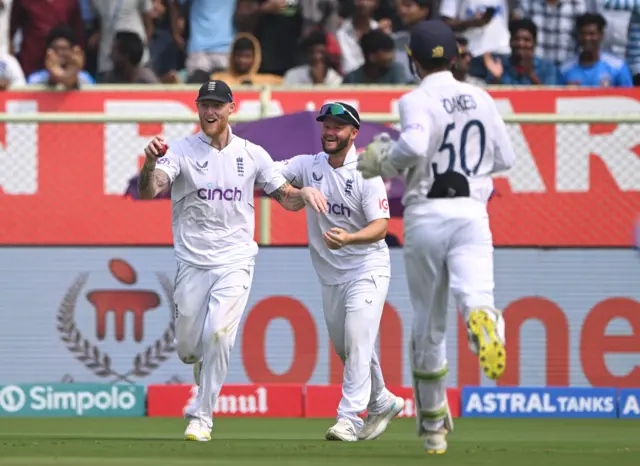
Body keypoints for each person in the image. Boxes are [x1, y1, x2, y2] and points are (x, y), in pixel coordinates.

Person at [356, 20, 515, 454]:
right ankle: (483, 320)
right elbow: (507, 157)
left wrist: (382, 160)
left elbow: (415, 146)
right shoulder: (482, 97)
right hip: (471, 213)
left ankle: (432, 428)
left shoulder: (416, 98)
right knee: (476, 294)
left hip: (426, 213)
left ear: (414, 60)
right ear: (458, 56)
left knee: (428, 323)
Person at [137, 79, 327, 442]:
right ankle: (201, 371)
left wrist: (304, 193)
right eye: (203, 105)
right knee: (189, 350)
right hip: (192, 262)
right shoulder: (180, 150)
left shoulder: (253, 154)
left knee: (219, 336)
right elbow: (152, 189)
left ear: (230, 109)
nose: (209, 111)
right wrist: (149, 164)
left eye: (216, 105)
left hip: (236, 260)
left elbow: (284, 197)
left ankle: (202, 416)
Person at [275, 102, 404, 442]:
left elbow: (380, 225)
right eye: (327, 126)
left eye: (338, 127)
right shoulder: (308, 165)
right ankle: (382, 399)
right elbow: (269, 177)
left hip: (367, 266)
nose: (330, 132)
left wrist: (350, 238)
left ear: (353, 133)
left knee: (358, 339)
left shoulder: (366, 172)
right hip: (331, 276)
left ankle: (349, 418)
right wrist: (297, 192)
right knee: (346, 347)